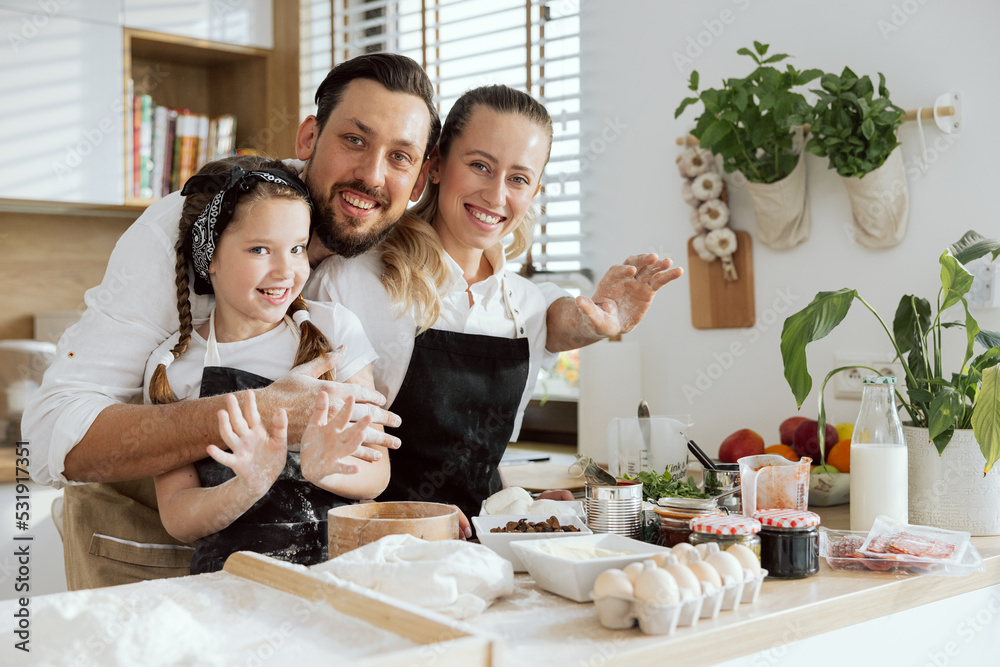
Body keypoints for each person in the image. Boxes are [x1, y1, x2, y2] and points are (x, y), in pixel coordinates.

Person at [24, 53, 676, 589]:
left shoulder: (369, 271)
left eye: (398, 155)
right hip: (146, 559)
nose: (370, 173)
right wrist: (267, 410)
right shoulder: (192, 227)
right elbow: (55, 431)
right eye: (354, 140)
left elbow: (492, 306)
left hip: (306, 570)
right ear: (308, 138)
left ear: (422, 176)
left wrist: (574, 322)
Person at [308, 85, 683, 534]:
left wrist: (516, 505)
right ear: (437, 165)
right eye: (480, 166)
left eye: (519, 179)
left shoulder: (524, 306)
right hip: (373, 543)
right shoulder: (352, 280)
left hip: (480, 555)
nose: (496, 194)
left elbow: (473, 470)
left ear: (535, 191)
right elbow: (318, 454)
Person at [145, 156, 385, 573]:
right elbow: (178, 516)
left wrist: (322, 469)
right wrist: (247, 486)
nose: (286, 270)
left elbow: (377, 472)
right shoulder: (173, 368)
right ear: (210, 257)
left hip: (342, 573)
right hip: (233, 585)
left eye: (296, 248)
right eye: (260, 249)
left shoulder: (336, 330)